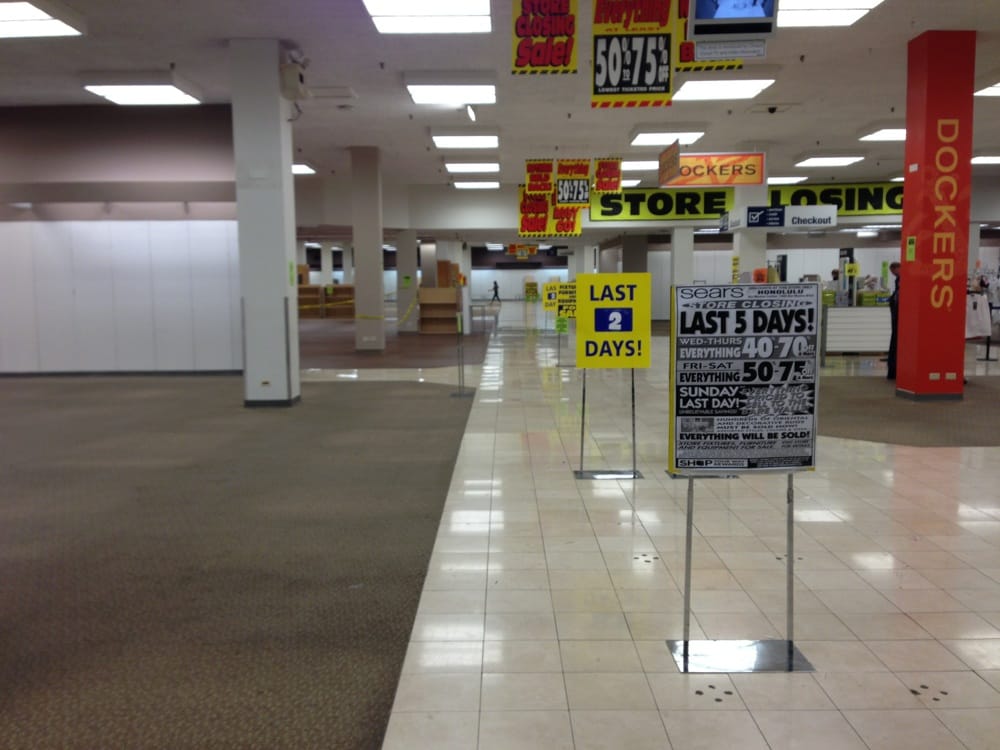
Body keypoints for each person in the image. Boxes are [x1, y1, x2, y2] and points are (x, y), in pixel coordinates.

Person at [887, 261, 900, 380]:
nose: (892, 274)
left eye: (893, 271)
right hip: (897, 316)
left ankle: (894, 369)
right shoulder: (899, 280)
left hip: (898, 316)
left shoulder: (903, 279)